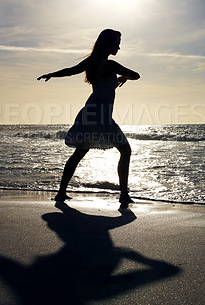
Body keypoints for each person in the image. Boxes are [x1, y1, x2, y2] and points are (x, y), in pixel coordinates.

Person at [37, 29, 140, 207]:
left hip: (90, 113)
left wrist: (52, 74)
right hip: (102, 116)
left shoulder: (92, 62)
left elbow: (70, 71)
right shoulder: (111, 65)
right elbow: (137, 75)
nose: (119, 47)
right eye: (116, 43)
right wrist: (125, 77)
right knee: (125, 150)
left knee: (79, 152)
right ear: (107, 44)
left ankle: (61, 193)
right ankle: (123, 195)